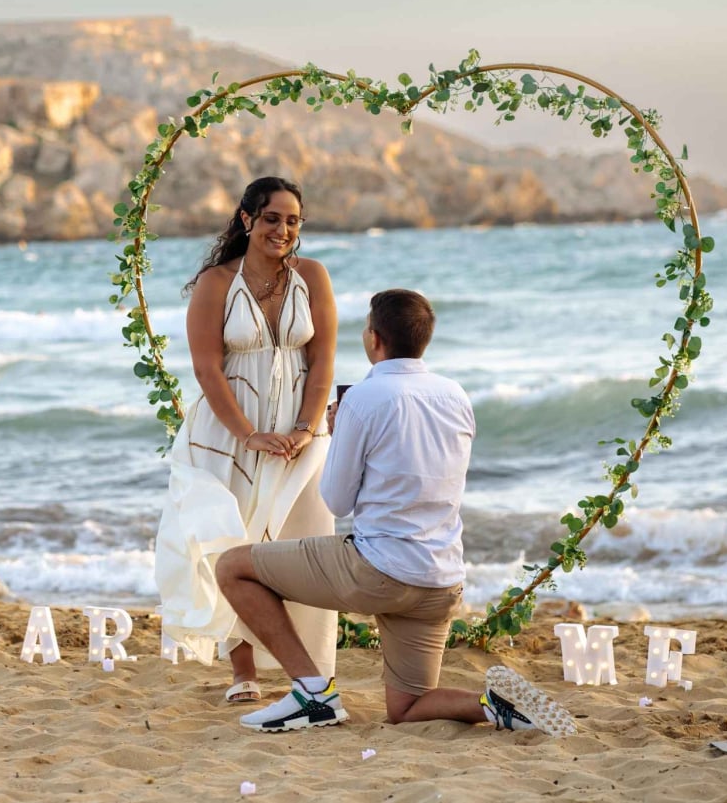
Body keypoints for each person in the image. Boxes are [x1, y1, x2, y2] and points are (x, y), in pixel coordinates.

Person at [215, 289, 576, 736]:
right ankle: (495, 707)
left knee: (233, 567)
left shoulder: (363, 400)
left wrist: (336, 428)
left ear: (373, 338)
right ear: (424, 339)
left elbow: (337, 501)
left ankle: (312, 692)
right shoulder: (455, 394)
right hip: (439, 581)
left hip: (379, 572)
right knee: (406, 708)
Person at [154, 176, 339, 704]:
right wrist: (250, 434)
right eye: (272, 218)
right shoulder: (216, 283)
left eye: (292, 220)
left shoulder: (313, 277)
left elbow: (322, 359)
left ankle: (309, 671)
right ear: (247, 220)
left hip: (301, 436)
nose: (282, 229)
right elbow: (207, 368)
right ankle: (244, 673)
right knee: (234, 544)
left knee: (304, 545)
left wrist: (305, 429)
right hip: (230, 432)